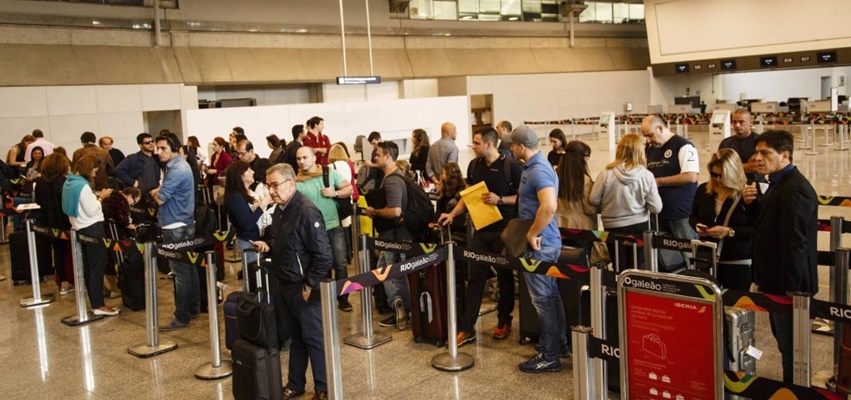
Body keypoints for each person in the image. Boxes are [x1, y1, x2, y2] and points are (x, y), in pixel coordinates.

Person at [743, 129, 818, 383]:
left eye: (765, 152)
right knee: (784, 346)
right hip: (776, 283)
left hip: (790, 289)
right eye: (757, 152)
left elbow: (795, 243)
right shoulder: (777, 183)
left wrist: (792, 289)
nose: (758, 157)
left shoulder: (795, 189)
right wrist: (752, 204)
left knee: (792, 351)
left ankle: (794, 392)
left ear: (785, 155)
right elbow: (765, 229)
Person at [252, 163, 332, 400]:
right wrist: (269, 245)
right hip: (284, 284)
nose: (271, 190)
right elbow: (282, 240)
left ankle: (324, 388)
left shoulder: (306, 211)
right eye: (269, 185)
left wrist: (309, 284)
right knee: (296, 337)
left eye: (275, 185)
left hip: (303, 287)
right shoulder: (280, 210)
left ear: (291, 183)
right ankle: (296, 383)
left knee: (314, 339)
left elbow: (324, 255)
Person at [438, 127, 523, 346]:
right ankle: (467, 328)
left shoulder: (511, 167)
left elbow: (522, 198)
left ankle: (504, 320)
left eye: (476, 143)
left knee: (505, 278)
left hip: (505, 230)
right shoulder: (474, 166)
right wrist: (453, 213)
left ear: (489, 144)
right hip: (481, 229)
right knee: (475, 277)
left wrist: (500, 200)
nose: (472, 146)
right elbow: (468, 196)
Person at [510, 125, 567, 373]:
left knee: (543, 300)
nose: (510, 148)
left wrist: (532, 233)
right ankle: (558, 344)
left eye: (512, 145)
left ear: (521, 147)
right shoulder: (535, 167)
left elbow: (549, 206)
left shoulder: (539, 171)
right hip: (544, 242)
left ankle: (549, 355)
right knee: (551, 297)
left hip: (541, 245)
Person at [590, 134, 662, 271]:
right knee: (636, 266)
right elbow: (656, 208)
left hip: (612, 226)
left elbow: (593, 198)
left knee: (618, 265)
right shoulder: (647, 175)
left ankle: (618, 289)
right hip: (638, 226)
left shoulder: (606, 172)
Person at [294, 146, 354, 312]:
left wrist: (334, 193)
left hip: (334, 226)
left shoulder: (328, 173)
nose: (302, 161)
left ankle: (343, 298)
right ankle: (326, 298)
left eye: (305, 157)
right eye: (299, 159)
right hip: (313, 231)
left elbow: (348, 188)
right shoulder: (296, 181)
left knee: (340, 264)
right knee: (322, 266)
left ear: (314, 158)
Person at [61, 155, 120, 316]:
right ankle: (99, 305)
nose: (94, 175)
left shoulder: (69, 182)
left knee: (89, 268)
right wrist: (102, 197)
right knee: (96, 268)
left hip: (80, 228)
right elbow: (92, 209)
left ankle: (96, 302)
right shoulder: (83, 186)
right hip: (92, 228)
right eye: (94, 171)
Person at [689, 149, 752, 291]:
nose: (717, 180)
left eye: (722, 176)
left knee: (735, 306)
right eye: (714, 174)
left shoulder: (747, 195)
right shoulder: (703, 190)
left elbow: (757, 229)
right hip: (707, 259)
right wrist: (697, 226)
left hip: (737, 260)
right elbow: (693, 217)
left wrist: (729, 232)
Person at [152, 132, 197, 331]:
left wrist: (155, 192)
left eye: (163, 148)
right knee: (188, 268)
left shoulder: (177, 169)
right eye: (157, 147)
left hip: (175, 225)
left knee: (181, 272)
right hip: (182, 222)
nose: (158, 152)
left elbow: (160, 197)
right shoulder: (176, 166)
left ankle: (182, 316)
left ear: (175, 149)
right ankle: (193, 308)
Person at [365, 141, 411, 330]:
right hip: (391, 234)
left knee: (392, 271)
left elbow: (395, 211)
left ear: (387, 156)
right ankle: (398, 305)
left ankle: (401, 308)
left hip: (393, 234)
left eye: (377, 153)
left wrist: (375, 211)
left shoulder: (392, 180)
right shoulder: (391, 177)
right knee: (384, 267)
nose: (374, 157)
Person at [642, 115, 699, 260]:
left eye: (650, 135)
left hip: (681, 214)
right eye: (645, 137)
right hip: (659, 214)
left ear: (660, 128)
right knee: (665, 257)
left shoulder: (684, 145)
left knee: (689, 255)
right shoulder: (650, 148)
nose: (648, 140)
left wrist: (658, 182)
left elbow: (691, 176)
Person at [34, 153, 73, 294]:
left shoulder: (40, 182)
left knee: (57, 252)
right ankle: (75, 279)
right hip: (64, 220)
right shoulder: (65, 181)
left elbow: (38, 201)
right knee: (72, 250)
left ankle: (63, 282)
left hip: (48, 221)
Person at [224, 160, 273, 265]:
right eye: (248, 170)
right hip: (250, 243)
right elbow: (247, 223)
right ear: (240, 175)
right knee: (252, 277)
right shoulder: (235, 197)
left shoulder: (248, 192)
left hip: (261, 240)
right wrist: (263, 204)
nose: (253, 172)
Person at [102, 186, 142, 298]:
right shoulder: (122, 201)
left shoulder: (111, 196)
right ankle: (117, 288)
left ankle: (110, 287)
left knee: (108, 261)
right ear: (129, 195)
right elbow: (122, 220)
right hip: (115, 234)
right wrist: (133, 226)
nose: (132, 205)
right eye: (133, 201)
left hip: (105, 232)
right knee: (118, 260)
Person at [556, 141, 597, 231]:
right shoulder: (584, 180)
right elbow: (588, 209)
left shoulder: (555, 176)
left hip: (558, 224)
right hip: (580, 227)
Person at [719, 108, 764, 184]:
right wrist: (747, 166)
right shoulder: (726, 143)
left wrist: (731, 166)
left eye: (741, 122)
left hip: (754, 184)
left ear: (750, 122)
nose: (737, 125)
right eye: (734, 122)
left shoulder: (760, 142)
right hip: (731, 184)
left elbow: (757, 167)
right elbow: (720, 167)